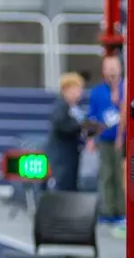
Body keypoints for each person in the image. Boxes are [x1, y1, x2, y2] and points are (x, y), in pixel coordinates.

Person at [88, 52, 126, 236]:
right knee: (106, 175)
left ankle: (122, 212)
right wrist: (91, 139)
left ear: (120, 69)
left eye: (114, 67)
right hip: (104, 140)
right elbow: (92, 117)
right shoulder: (96, 92)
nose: (111, 70)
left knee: (122, 177)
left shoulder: (128, 89)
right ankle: (107, 211)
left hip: (124, 142)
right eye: (108, 67)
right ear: (103, 71)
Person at [47, 72, 90, 192]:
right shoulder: (60, 107)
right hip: (62, 159)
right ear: (66, 89)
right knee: (63, 188)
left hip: (72, 156)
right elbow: (63, 125)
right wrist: (80, 126)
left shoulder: (75, 109)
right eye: (76, 89)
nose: (79, 93)